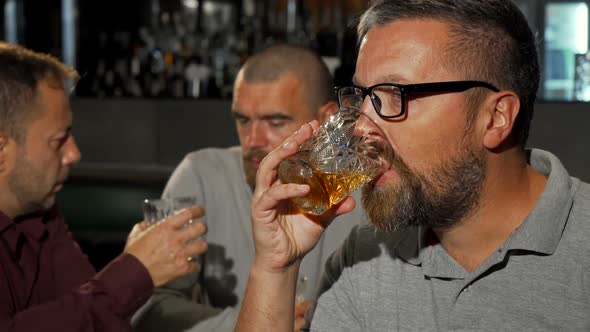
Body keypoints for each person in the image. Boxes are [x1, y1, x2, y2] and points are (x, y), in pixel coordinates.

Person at [235, 0, 590, 331]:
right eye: (365, 97)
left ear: (495, 117)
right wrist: (276, 268)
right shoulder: (366, 256)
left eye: (396, 95)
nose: (360, 126)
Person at [131, 44, 366, 332]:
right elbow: (148, 305)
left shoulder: (365, 191)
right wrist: (250, 321)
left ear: (329, 119)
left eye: (275, 121)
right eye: (243, 120)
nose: (253, 140)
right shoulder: (202, 175)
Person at [0, 42, 208, 331]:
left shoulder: (39, 209)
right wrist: (136, 270)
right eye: (59, 140)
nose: (74, 153)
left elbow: (90, 313)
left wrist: (136, 265)